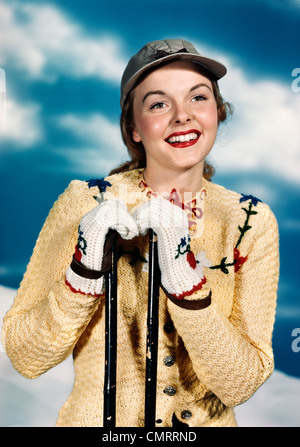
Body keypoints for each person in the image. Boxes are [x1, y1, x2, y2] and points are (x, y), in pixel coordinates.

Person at [1, 39, 279, 427]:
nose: (183, 116)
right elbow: (26, 357)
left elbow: (240, 385)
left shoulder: (249, 219)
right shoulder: (87, 201)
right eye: (159, 104)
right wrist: (85, 271)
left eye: (198, 98)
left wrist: (185, 282)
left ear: (218, 111)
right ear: (133, 128)